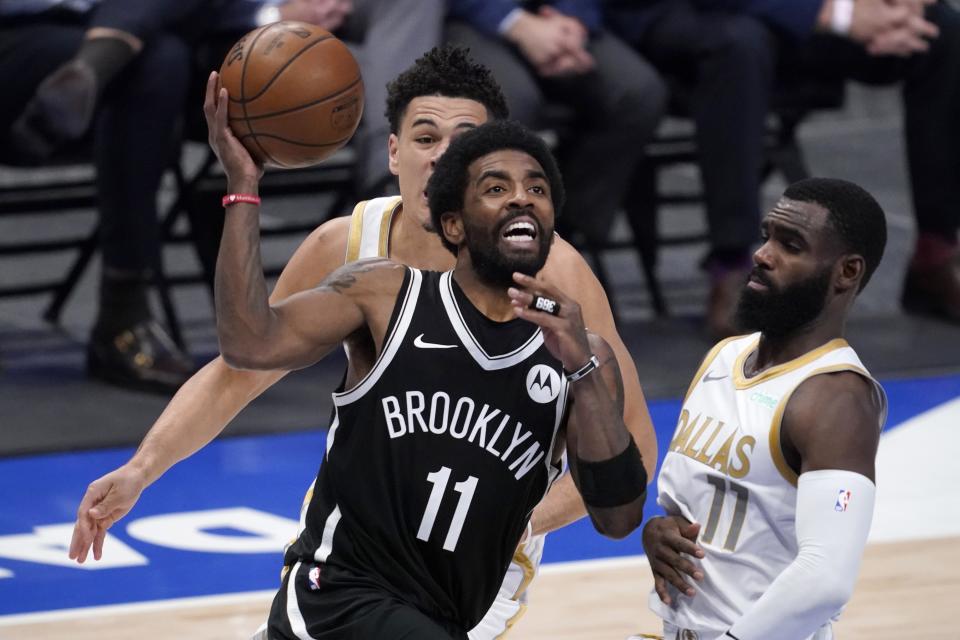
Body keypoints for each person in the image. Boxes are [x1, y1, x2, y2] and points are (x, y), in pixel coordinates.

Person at [67, 46, 658, 638]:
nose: (444, 155)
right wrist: (143, 468)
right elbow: (239, 369)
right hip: (353, 557)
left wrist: (517, 521)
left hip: (478, 573)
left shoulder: (557, 275)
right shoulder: (349, 248)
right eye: (425, 138)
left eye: (465, 138)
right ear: (394, 151)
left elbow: (633, 449)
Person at [609, 0, 960, 335]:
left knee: (941, 28)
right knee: (740, 43)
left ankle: (934, 255)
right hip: (683, 13)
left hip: (794, 15)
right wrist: (836, 13)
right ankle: (732, 266)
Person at [637, 178, 889, 640]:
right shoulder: (725, 356)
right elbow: (697, 510)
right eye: (767, 234)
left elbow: (826, 578)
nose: (763, 254)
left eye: (790, 245)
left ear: (847, 272)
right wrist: (657, 532)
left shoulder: (837, 398)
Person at [0, 0, 205, 392]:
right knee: (154, 59)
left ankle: (122, 311)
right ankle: (123, 313)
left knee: (161, 59)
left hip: (104, 26)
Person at [445, 0, 666, 246]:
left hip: (556, 16)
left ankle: (562, 232)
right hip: (469, 18)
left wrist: (574, 21)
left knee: (638, 93)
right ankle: (494, 243)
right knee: (510, 102)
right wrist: (516, 23)